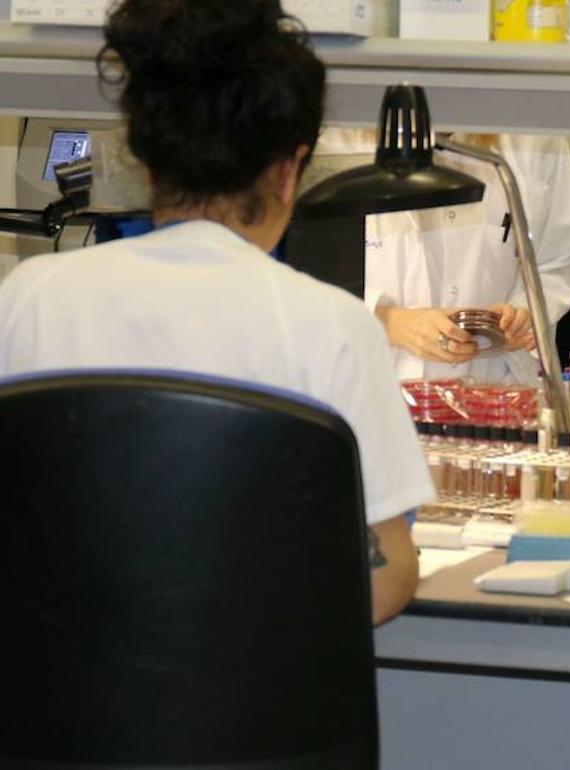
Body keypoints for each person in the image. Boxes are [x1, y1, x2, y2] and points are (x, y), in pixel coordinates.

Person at [0, 0, 426, 625]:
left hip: (48, 712)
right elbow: (380, 584)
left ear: (147, 160)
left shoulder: (25, 297)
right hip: (246, 712)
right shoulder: (329, 326)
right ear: (288, 171)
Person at [313, 129, 570, 382]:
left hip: (496, 389)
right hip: (373, 384)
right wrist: (390, 321)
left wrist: (524, 311)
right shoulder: (337, 136)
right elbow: (300, 277)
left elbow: (559, 260)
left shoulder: (531, 132)